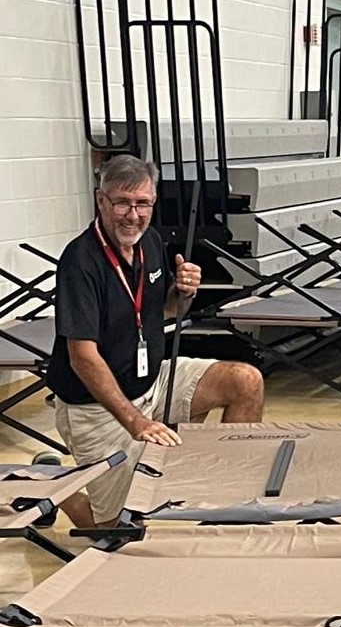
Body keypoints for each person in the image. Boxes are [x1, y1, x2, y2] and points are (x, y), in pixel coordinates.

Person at [47, 155, 265, 528]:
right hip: (98, 406)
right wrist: (135, 421)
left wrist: (184, 292)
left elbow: (164, 310)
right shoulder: (80, 262)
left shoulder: (150, 241)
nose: (133, 215)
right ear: (101, 200)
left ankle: (226, 501)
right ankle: (56, 485)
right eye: (122, 203)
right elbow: (82, 357)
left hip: (154, 382)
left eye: (142, 203)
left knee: (245, 382)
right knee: (114, 535)